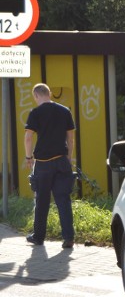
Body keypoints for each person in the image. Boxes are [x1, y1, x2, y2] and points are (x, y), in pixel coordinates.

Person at [23, 83, 76, 248]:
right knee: (63, 200)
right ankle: (68, 237)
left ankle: (38, 237)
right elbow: (71, 138)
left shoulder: (35, 113)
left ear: (37, 95)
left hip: (43, 164)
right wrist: (68, 157)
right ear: (49, 94)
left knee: (42, 201)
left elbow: (28, 137)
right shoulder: (65, 111)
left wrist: (28, 157)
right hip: (61, 161)